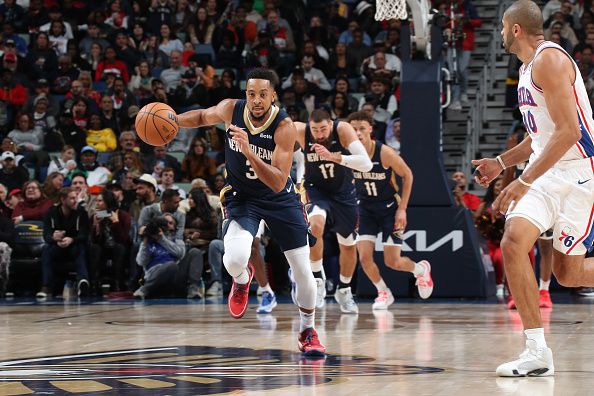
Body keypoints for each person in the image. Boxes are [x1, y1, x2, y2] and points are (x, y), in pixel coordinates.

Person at [472, 0, 594, 377]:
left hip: (578, 175)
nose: (501, 34)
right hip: (546, 174)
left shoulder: (550, 61)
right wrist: (502, 164)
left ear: (516, 29)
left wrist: (523, 181)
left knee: (568, 275)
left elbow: (569, 132)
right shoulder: (527, 69)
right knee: (512, 241)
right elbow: (537, 138)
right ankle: (536, 350)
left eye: (503, 28)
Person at [177, 68, 326, 356]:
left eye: (262, 94)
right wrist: (173, 120)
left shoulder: (284, 128)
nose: (256, 100)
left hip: (279, 198)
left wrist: (247, 150)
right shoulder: (231, 109)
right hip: (242, 197)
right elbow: (200, 117)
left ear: (273, 96)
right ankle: (243, 280)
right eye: (251, 94)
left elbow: (278, 180)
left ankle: (307, 331)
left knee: (303, 272)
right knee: (233, 260)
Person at [347, 111, 433, 309]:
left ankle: (420, 269)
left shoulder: (384, 153)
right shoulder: (348, 154)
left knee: (392, 261)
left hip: (389, 210)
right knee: (365, 258)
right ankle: (383, 292)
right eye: (353, 129)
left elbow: (408, 175)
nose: (357, 133)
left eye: (361, 128)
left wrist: (402, 209)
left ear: (370, 129)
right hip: (365, 210)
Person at [293, 109, 373, 313]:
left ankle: (344, 290)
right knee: (315, 225)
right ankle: (318, 278)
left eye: (323, 129)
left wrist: (335, 157)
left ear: (331, 124)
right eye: (315, 129)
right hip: (315, 189)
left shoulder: (343, 129)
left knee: (347, 244)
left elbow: (366, 164)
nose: (319, 134)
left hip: (344, 193)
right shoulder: (299, 130)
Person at [38, 187, 90, 299]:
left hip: (74, 245)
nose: (75, 200)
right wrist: (54, 238)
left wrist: (72, 239)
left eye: (76, 197)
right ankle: (47, 286)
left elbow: (84, 235)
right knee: (46, 249)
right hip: (57, 246)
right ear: (62, 199)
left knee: (80, 248)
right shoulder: (51, 212)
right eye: (71, 198)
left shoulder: (81, 212)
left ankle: (83, 281)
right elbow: (46, 236)